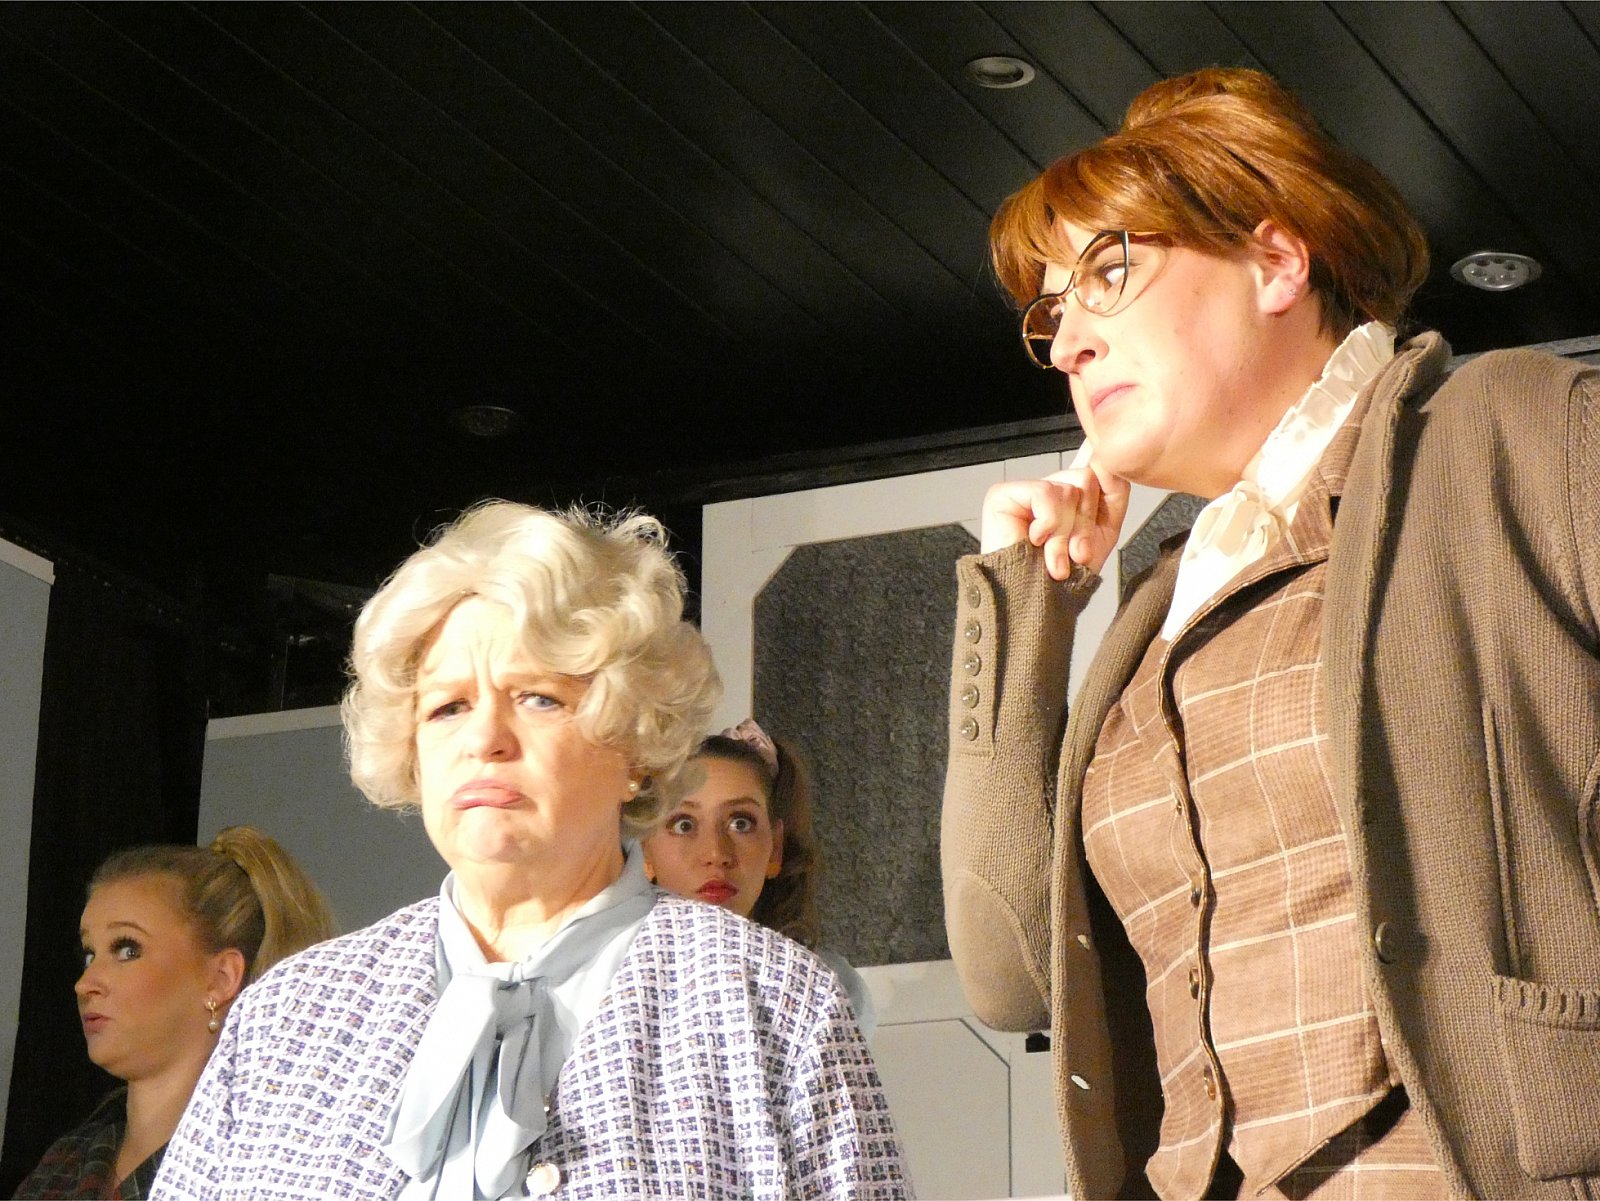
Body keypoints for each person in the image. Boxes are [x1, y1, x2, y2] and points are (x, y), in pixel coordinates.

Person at [941, 67, 1599, 1201]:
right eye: (1050, 316)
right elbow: (1010, 976)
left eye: (1108, 273)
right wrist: (1023, 603)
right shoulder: (1152, 617)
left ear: (1277, 263)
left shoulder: (1518, 431)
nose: (1069, 343)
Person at [152, 502, 910, 1201]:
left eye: (537, 697)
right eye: (448, 707)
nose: (485, 738)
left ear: (635, 743)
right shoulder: (286, 1015)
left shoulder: (779, 1002)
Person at [16, 826, 335, 1200]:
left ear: (220, 978)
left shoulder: (270, 1170)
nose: (86, 984)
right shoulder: (66, 1162)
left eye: (127, 950)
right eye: (90, 954)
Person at [642, 719, 878, 1038]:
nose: (716, 853)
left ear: (774, 849)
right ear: (645, 851)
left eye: (740, 823)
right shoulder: (604, 985)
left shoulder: (827, 988)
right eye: (684, 824)